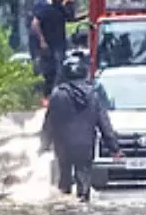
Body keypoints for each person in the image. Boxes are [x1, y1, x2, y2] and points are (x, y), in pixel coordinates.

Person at [39, 54, 120, 202]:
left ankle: (65, 210)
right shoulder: (93, 95)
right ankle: (83, 205)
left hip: (63, 147)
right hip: (85, 146)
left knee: (64, 181)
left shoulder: (58, 94)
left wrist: (43, 145)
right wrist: (114, 148)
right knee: (84, 182)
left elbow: (49, 123)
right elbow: (104, 123)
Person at [31, 0, 78, 95]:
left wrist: (71, 4)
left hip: (59, 44)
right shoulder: (44, 7)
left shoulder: (60, 8)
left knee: (60, 69)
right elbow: (35, 24)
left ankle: (56, 93)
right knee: (49, 70)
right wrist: (42, 41)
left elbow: (71, 18)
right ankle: (47, 94)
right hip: (48, 44)